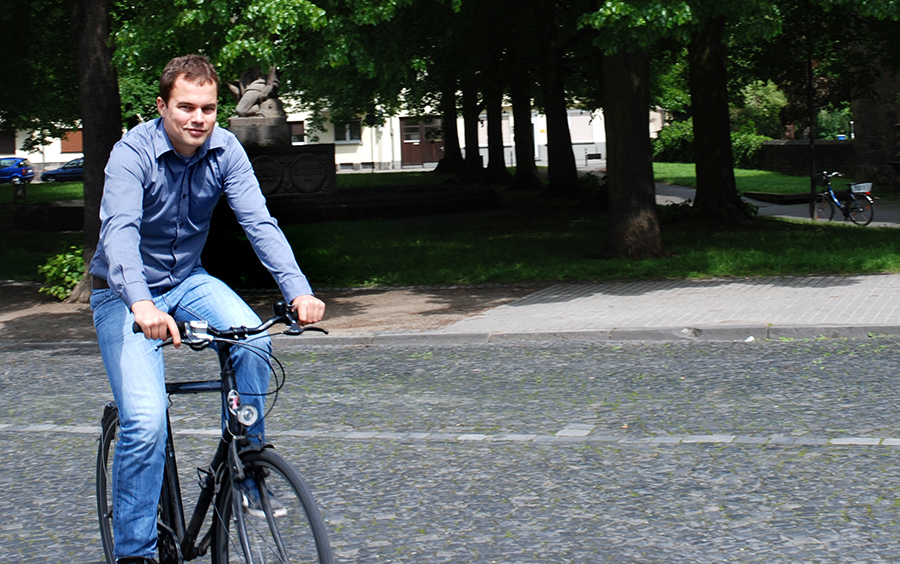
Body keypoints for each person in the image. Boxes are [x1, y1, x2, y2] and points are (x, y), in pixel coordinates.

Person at [90, 54, 325, 564]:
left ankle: (248, 469)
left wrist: (298, 291)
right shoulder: (131, 154)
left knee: (253, 339)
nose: (198, 118)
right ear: (162, 106)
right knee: (147, 420)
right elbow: (121, 236)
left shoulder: (225, 149)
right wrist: (142, 305)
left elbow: (259, 222)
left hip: (187, 281)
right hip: (123, 293)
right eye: (186, 107)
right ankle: (135, 552)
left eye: (209, 108)